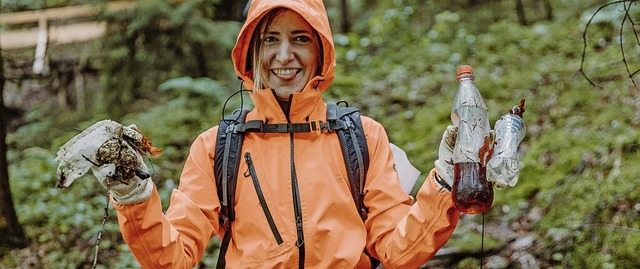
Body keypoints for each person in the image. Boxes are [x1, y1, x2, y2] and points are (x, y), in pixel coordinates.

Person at [90, 0, 462, 267]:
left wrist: (447, 179)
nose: (285, 55)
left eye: (300, 38)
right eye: (270, 39)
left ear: (321, 51)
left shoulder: (362, 137)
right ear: (251, 51)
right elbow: (174, 258)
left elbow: (399, 251)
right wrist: (134, 195)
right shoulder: (217, 147)